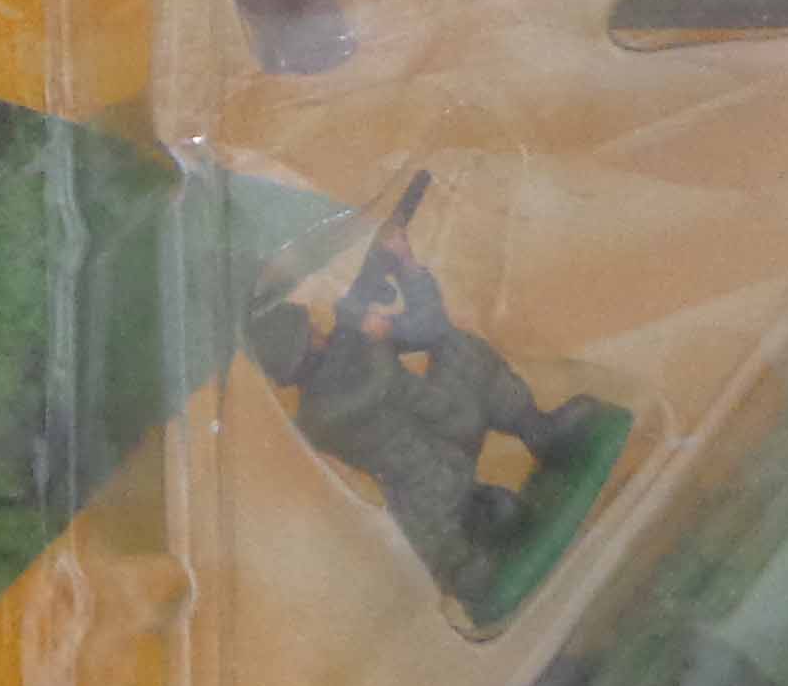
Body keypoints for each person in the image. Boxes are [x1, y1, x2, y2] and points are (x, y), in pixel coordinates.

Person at [250, 209, 614, 622]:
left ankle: (539, 431)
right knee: (428, 513)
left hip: (450, 416)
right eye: (311, 337)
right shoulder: (317, 416)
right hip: (429, 478)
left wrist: (406, 266)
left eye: (314, 329)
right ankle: (465, 561)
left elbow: (431, 327)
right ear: (296, 361)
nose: (321, 335)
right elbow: (375, 389)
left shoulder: (351, 342)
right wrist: (374, 338)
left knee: (458, 348)